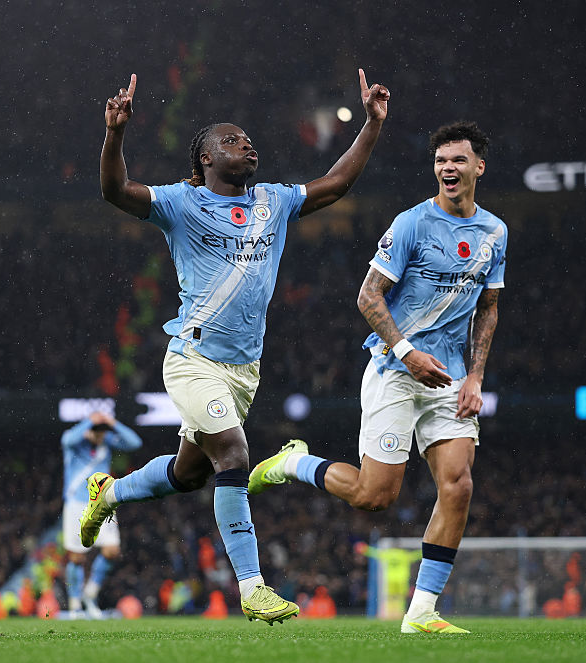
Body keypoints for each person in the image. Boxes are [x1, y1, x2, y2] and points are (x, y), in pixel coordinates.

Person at [82, 69, 390, 625]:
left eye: (247, 139)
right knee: (235, 456)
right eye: (230, 140)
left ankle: (109, 496)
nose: (246, 145)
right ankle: (252, 588)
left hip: (243, 369)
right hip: (193, 359)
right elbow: (113, 191)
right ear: (204, 159)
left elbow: (336, 185)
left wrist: (371, 124)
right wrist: (115, 134)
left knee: (189, 473)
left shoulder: (274, 201)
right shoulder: (180, 203)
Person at [249, 120, 507, 634]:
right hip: (395, 369)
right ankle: (295, 463)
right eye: (440, 161)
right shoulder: (412, 223)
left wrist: (476, 376)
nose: (448, 169)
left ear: (479, 166)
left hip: (451, 378)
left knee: (457, 487)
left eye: (458, 160)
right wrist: (408, 353)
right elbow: (368, 296)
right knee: (375, 496)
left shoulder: (495, 232)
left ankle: (422, 614)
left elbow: (489, 308)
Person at [61, 411, 142, 618]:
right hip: (76, 503)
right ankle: (75, 605)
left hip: (102, 502)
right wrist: (90, 421)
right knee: (77, 557)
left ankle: (90, 593)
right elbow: (67, 439)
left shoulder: (106, 444)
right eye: (97, 431)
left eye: (102, 431)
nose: (100, 435)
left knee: (112, 551)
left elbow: (135, 443)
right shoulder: (76, 443)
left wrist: (112, 423)